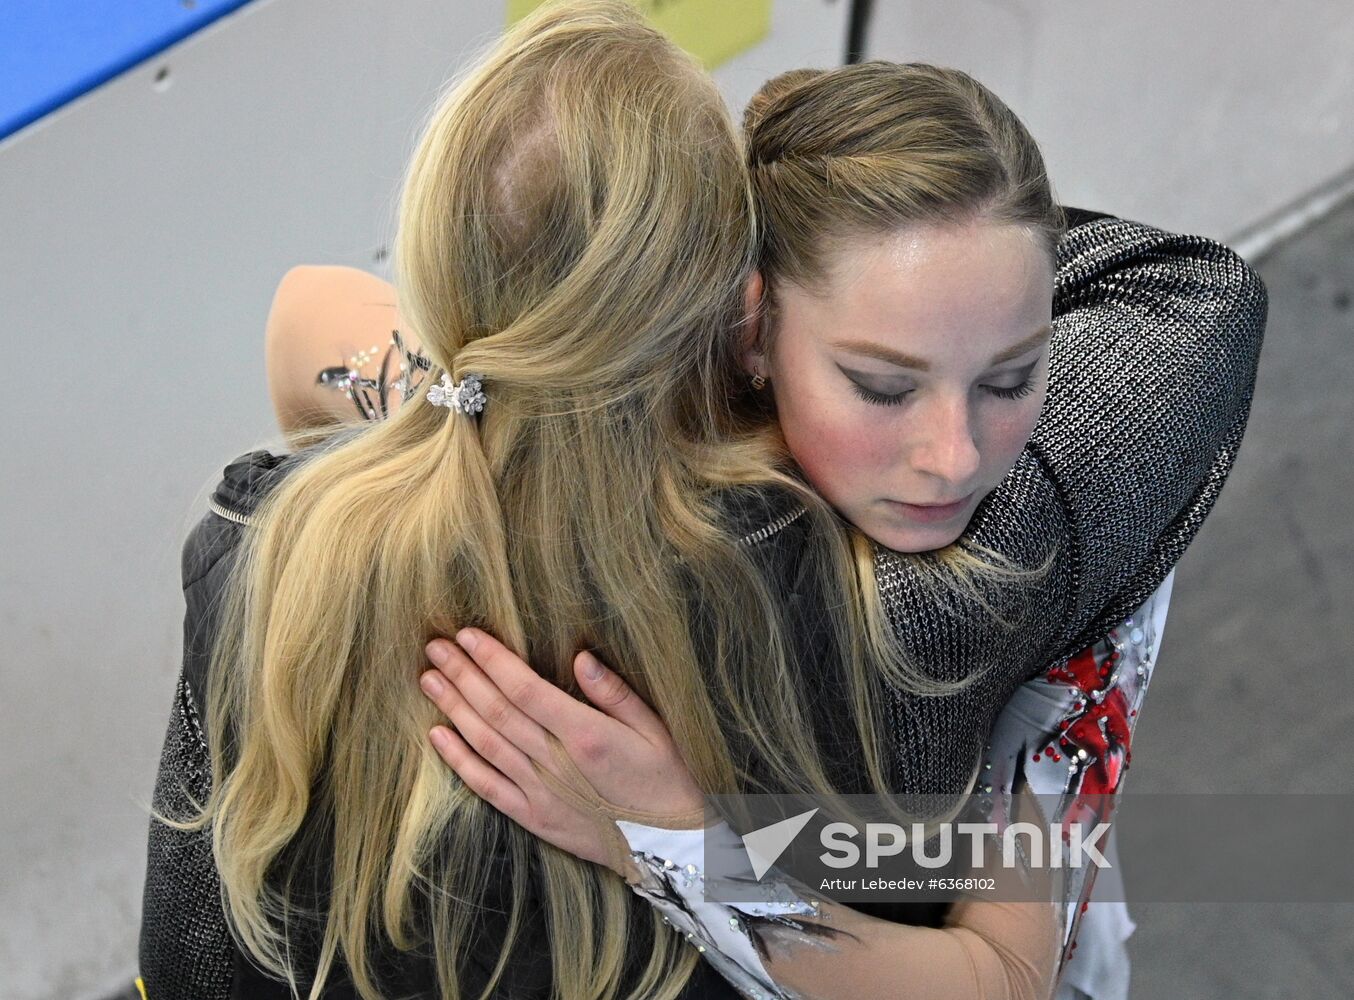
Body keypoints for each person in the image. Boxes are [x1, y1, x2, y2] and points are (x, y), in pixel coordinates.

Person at [137, 6, 1267, 1000]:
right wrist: (691, 847)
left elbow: (307, 318)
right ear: (743, 325)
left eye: (1010, 376)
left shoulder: (262, 553)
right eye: (879, 381)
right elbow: (1194, 294)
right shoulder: (920, 602)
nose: (950, 452)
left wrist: (434, 421)